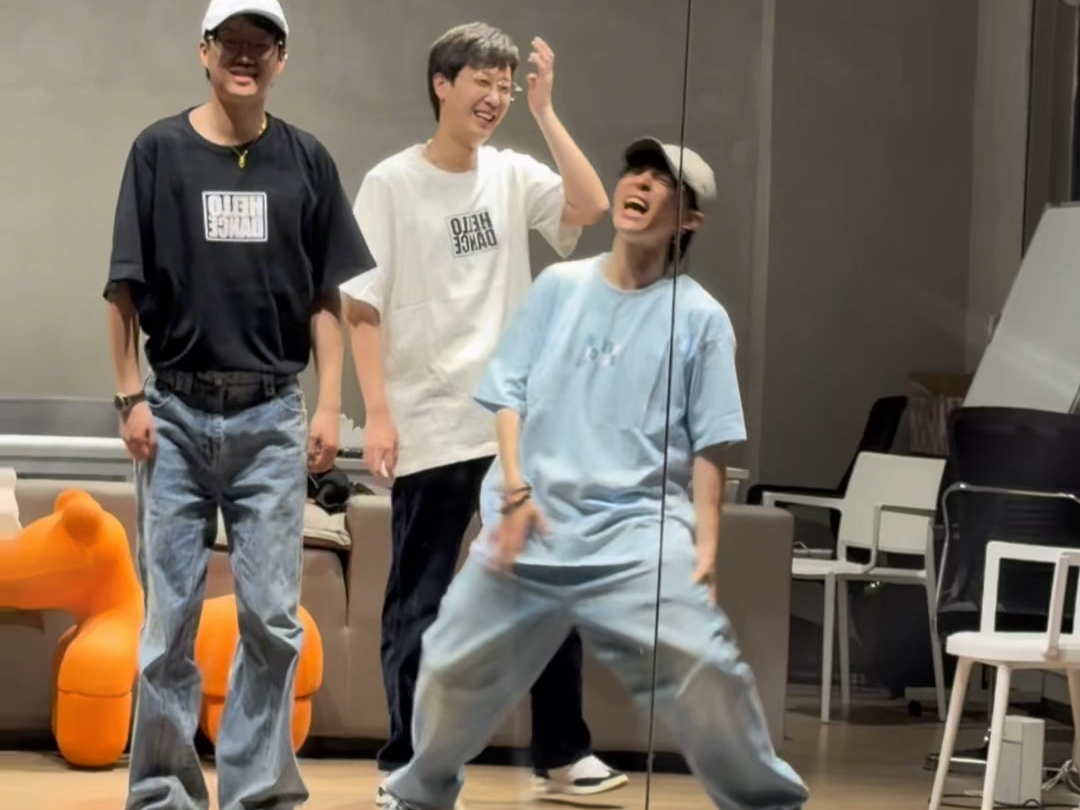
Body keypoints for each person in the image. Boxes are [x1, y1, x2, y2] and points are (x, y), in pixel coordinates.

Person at [377, 138, 812, 810]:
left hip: (638, 536)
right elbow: (508, 395)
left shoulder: (701, 319)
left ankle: (768, 803)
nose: (639, 183)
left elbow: (711, 446)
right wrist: (514, 492)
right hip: (533, 525)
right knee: (449, 666)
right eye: (634, 171)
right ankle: (420, 792)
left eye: (660, 180)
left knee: (707, 671)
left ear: (690, 218)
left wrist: (704, 551)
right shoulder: (559, 287)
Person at [340, 21, 626, 803]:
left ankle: (562, 753)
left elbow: (591, 204)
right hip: (432, 420)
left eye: (505, 87)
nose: (496, 99)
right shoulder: (391, 184)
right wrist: (379, 413)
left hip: (515, 425)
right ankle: (411, 766)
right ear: (442, 84)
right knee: (422, 601)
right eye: (483, 83)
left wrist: (546, 111)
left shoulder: (509, 172)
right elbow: (361, 306)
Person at [104, 1, 374, 809]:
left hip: (270, 418)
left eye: (263, 43)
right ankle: (163, 794)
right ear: (205, 51)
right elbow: (123, 288)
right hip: (175, 415)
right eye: (232, 41)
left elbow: (327, 297)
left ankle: (258, 793)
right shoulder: (158, 151)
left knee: (272, 619)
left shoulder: (307, 160)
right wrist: (128, 395)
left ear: (282, 58)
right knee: (168, 624)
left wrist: (330, 403)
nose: (246, 55)